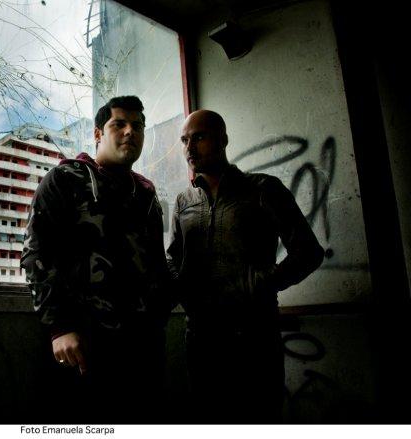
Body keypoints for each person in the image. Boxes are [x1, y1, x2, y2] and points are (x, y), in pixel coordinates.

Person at [166, 110, 324, 423]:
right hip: (200, 338)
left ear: (223, 139)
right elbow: (174, 257)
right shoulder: (184, 201)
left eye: (199, 137)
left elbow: (308, 252)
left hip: (254, 336)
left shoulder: (263, 189)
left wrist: (264, 282)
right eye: (184, 140)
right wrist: (179, 288)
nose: (189, 148)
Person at [21, 96, 169, 422]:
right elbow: (36, 253)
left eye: (138, 126)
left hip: (142, 347)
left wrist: (159, 316)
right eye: (119, 124)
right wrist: (60, 326)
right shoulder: (65, 179)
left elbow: (157, 263)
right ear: (98, 133)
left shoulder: (145, 194)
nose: (130, 132)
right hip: (84, 345)